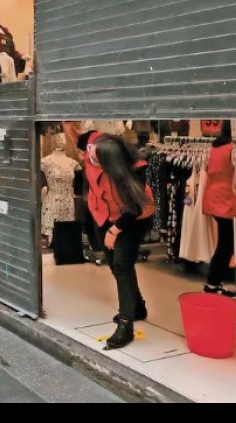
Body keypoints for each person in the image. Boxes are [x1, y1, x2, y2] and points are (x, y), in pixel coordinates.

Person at [78, 131, 154, 350]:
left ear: (112, 163)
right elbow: (76, 135)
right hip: (101, 214)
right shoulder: (94, 150)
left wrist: (115, 231)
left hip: (132, 218)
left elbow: (135, 208)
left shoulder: (136, 170)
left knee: (122, 264)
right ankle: (137, 306)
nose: (90, 157)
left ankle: (125, 322)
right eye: (90, 153)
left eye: (96, 158)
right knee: (114, 263)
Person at [201, 120, 236, 298]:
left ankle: (214, 282)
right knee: (226, 245)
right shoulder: (232, 149)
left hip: (212, 195)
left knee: (225, 244)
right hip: (223, 197)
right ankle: (213, 283)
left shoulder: (213, 148)